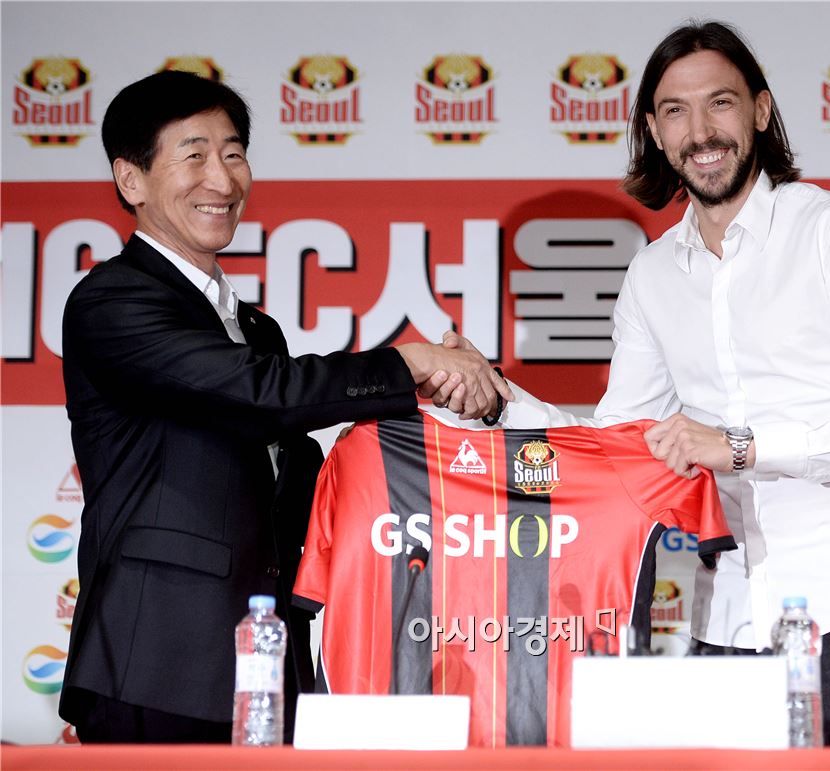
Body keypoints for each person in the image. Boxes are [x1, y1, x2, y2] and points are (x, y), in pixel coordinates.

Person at [434, 21, 830, 745]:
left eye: (720, 103)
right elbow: (617, 444)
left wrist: (741, 446)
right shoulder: (652, 274)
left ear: (760, 110)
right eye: (676, 111)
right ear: (654, 130)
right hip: (726, 617)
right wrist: (496, 397)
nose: (701, 132)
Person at [59, 69, 511, 744]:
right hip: (156, 659)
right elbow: (260, 394)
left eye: (234, 154)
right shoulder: (113, 301)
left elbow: (291, 457)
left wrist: (448, 415)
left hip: (266, 661)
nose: (222, 179)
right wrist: (410, 363)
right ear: (132, 180)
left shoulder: (254, 328)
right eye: (194, 156)